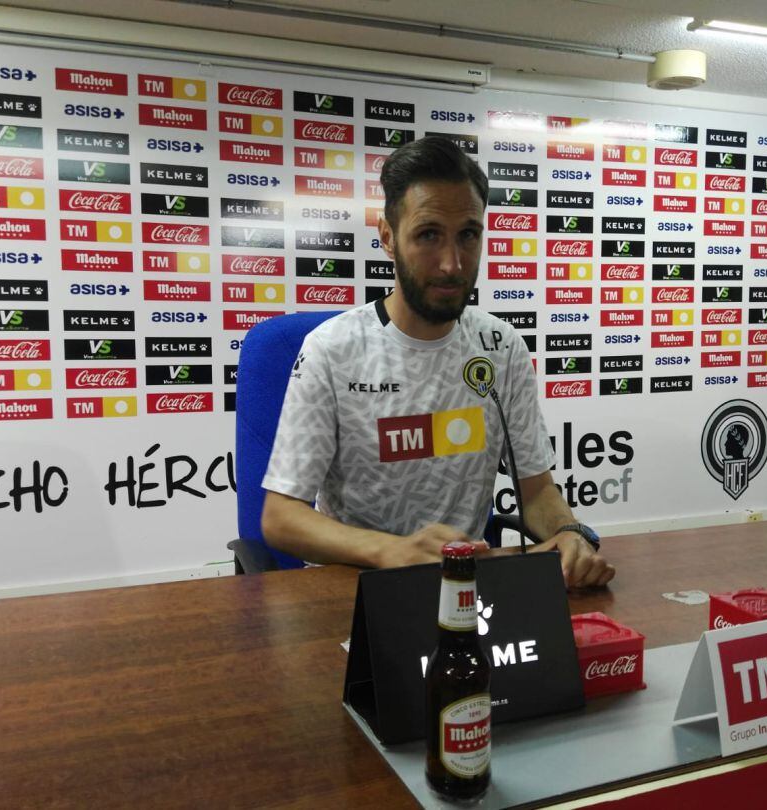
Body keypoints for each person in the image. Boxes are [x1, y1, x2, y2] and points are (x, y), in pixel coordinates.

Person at [261, 136, 615, 588]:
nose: (451, 264)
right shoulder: (331, 350)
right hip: (355, 589)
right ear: (388, 238)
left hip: (466, 589)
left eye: (468, 235)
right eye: (428, 235)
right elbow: (280, 517)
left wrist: (568, 534)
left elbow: (537, 490)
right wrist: (392, 550)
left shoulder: (500, 347)